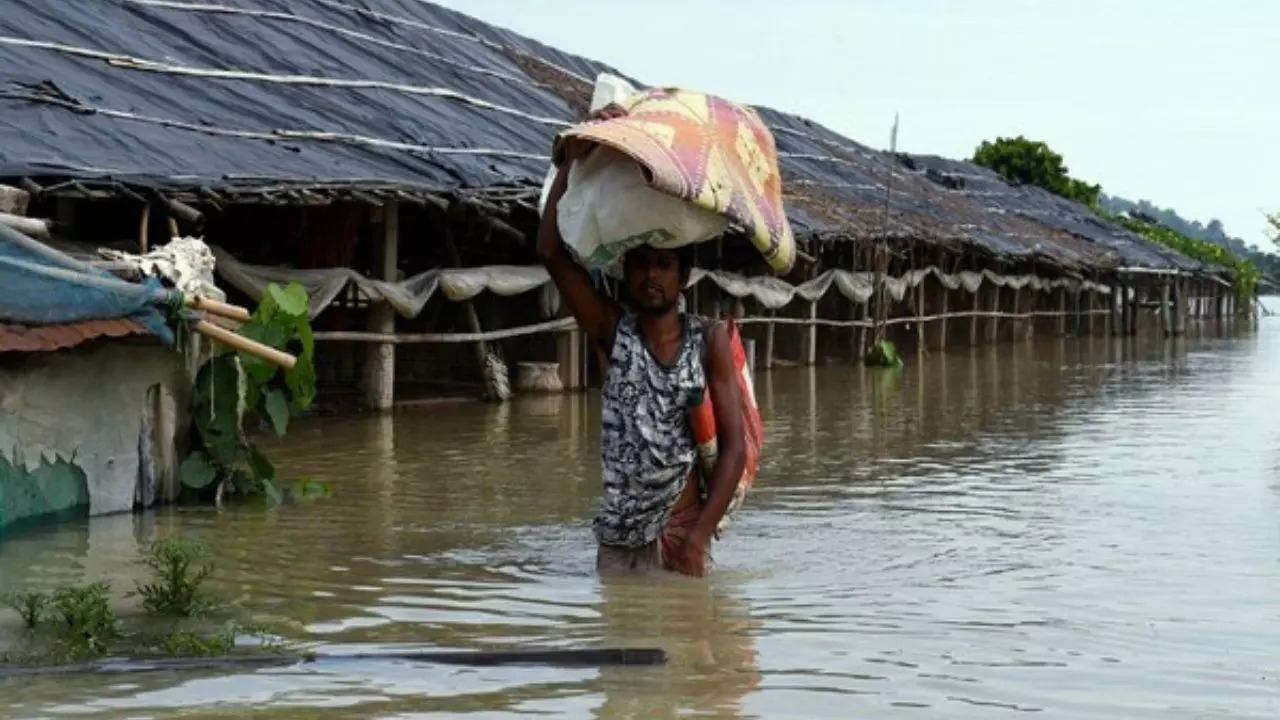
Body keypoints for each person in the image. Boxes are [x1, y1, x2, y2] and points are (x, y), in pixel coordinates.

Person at [537, 160, 746, 578]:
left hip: (679, 534)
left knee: (679, 642)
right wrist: (569, 163)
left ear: (683, 277)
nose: (651, 275)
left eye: (664, 265)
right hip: (617, 539)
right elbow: (550, 252)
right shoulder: (612, 332)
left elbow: (734, 449)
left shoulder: (708, 340)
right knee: (620, 638)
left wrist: (699, 538)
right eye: (641, 264)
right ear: (626, 272)